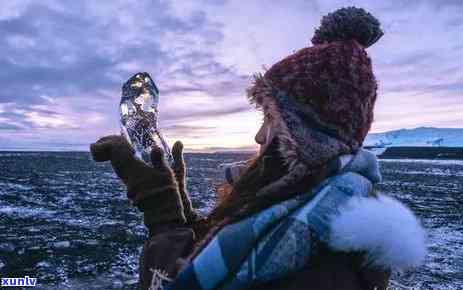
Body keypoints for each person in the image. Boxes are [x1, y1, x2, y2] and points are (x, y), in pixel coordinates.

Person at [90, 7, 426, 290]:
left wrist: (161, 212)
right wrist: (179, 207)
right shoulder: (306, 218)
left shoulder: (320, 267)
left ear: (305, 136)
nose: (259, 136)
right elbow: (223, 256)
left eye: (270, 118)